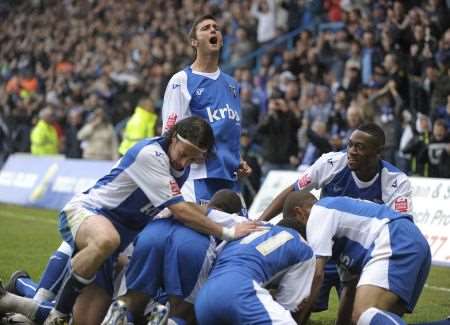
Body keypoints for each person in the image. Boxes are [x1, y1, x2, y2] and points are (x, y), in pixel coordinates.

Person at [37, 116, 259, 325]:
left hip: (119, 241)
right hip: (89, 211)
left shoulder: (181, 162)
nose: (184, 162)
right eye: (183, 154)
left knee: (89, 321)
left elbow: (183, 205)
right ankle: (58, 313)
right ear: (174, 138)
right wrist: (227, 231)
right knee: (106, 239)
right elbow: (180, 209)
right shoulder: (150, 154)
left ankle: (16, 300)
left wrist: (232, 166)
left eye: (192, 158)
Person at [258, 123, 412, 317]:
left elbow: (402, 228)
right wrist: (261, 221)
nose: (352, 151)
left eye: (360, 147)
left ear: (378, 152)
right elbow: (293, 192)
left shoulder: (396, 181)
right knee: (292, 308)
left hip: (359, 258)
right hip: (321, 249)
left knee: (362, 316)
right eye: (350, 144)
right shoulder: (331, 163)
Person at [102, 189, 247, 325]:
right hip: (193, 243)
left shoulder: (182, 205)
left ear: (210, 203)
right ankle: (165, 319)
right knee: (184, 311)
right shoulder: (234, 221)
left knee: (134, 298)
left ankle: (123, 312)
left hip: (153, 232)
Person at [284, 193, 431, 325]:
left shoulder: (319, 212)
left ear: (299, 213)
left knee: (364, 313)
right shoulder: (342, 236)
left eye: (297, 232)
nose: (302, 240)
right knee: (374, 319)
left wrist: (296, 321)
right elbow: (350, 290)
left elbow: (316, 275)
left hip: (394, 236)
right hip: (412, 240)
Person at [161, 14, 251, 206]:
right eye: (206, 28)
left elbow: (230, 130)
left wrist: (239, 159)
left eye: (216, 28)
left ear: (221, 40)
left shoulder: (232, 84)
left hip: (230, 178)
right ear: (194, 42)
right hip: (197, 177)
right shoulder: (182, 80)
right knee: (206, 234)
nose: (213, 30)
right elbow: (169, 133)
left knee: (240, 234)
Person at [194, 196, 316, 325]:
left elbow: (201, 211)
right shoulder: (304, 249)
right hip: (240, 290)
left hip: (204, 298)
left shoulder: (252, 225)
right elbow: (288, 305)